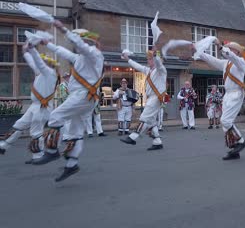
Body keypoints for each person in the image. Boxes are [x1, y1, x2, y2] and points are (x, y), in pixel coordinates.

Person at [33, 21, 104, 183]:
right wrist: (48, 44)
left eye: (76, 41)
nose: (74, 45)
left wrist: (64, 29)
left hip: (82, 96)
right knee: (75, 130)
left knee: (56, 116)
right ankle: (72, 164)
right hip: (83, 98)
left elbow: (82, 46)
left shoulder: (94, 54)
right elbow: (62, 52)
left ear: (84, 41)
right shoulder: (81, 58)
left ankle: (51, 151)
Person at [195, 38, 245, 160]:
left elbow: (229, 55)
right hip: (228, 95)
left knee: (226, 121)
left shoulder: (240, 62)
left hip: (236, 94)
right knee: (226, 123)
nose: (228, 49)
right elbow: (211, 60)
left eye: (231, 48)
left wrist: (220, 47)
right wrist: (198, 51)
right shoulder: (226, 64)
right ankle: (234, 150)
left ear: (237, 51)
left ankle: (241, 141)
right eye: (228, 48)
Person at [0, 43, 58, 164]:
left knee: (36, 131)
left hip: (43, 108)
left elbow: (39, 63)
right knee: (19, 124)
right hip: (35, 106)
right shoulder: (41, 73)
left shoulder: (50, 73)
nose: (40, 62)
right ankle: (4, 146)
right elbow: (33, 64)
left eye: (43, 61)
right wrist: (26, 52)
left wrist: (31, 50)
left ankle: (38, 155)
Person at [120, 49, 167, 151]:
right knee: (151, 121)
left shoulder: (161, 70)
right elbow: (137, 66)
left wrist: (156, 55)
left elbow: (159, 63)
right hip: (151, 98)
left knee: (144, 117)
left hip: (156, 97)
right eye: (148, 59)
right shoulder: (149, 71)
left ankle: (133, 137)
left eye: (150, 59)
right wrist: (128, 59)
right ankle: (157, 142)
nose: (148, 61)